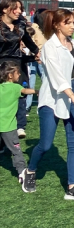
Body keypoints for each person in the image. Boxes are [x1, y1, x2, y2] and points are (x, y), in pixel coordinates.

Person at [25, 9, 74, 200]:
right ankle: (30, 170)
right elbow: (58, 80)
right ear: (56, 25)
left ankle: (72, 187)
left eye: (73, 22)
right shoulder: (49, 48)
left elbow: (72, 75)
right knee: (45, 145)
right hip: (52, 99)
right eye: (68, 23)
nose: (72, 26)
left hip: (72, 96)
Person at [0, 0, 39, 138]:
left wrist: (37, 52)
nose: (19, 11)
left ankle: (20, 126)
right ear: (5, 10)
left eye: (20, 8)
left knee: (21, 94)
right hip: (2, 65)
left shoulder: (21, 24)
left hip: (18, 64)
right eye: (15, 8)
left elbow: (28, 41)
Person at [0, 61, 35, 191]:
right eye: (17, 73)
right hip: (8, 127)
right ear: (10, 75)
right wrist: (37, 91)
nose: (19, 75)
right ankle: (22, 172)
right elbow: (26, 90)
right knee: (16, 151)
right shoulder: (15, 88)